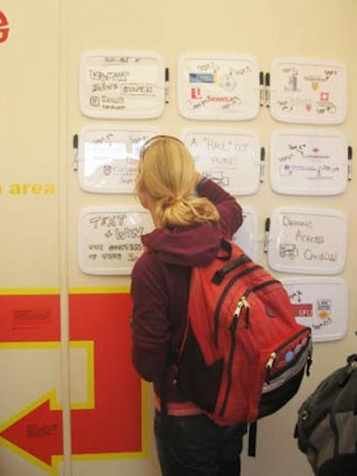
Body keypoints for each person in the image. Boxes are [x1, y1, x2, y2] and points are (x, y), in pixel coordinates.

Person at [130, 135, 246, 476]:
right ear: (188, 179)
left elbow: (148, 367)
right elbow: (231, 203)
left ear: (141, 189)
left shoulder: (150, 268)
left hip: (183, 421)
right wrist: (193, 178)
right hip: (230, 405)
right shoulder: (217, 231)